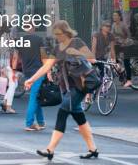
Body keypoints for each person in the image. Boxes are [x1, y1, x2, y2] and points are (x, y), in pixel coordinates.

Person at [25, 20, 99, 161]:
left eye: (59, 34)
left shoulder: (76, 42)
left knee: (62, 113)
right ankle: (93, 149)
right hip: (67, 88)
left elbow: (92, 59)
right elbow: (46, 67)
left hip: (79, 86)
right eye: (55, 35)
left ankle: (50, 149)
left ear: (66, 32)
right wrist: (32, 79)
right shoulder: (57, 48)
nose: (57, 37)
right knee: (79, 117)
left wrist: (75, 53)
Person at [17, 20, 47, 131]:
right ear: (33, 28)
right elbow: (44, 56)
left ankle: (41, 122)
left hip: (27, 71)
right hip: (38, 70)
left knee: (37, 95)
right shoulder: (39, 39)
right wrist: (48, 71)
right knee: (34, 97)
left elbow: (16, 57)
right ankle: (29, 123)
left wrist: (15, 70)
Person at [0, 24, 18, 114]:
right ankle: (8, 105)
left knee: (5, 85)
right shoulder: (10, 37)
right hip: (8, 64)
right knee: (13, 84)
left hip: (2, 63)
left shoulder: (0, 37)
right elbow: (14, 53)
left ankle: (4, 101)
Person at [111, 11, 133, 88]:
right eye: (113, 15)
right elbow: (112, 36)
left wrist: (124, 42)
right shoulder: (113, 25)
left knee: (126, 62)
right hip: (119, 45)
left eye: (116, 15)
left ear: (119, 17)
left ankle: (129, 80)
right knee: (113, 59)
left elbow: (129, 35)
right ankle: (121, 72)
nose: (114, 17)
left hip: (127, 44)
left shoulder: (123, 25)